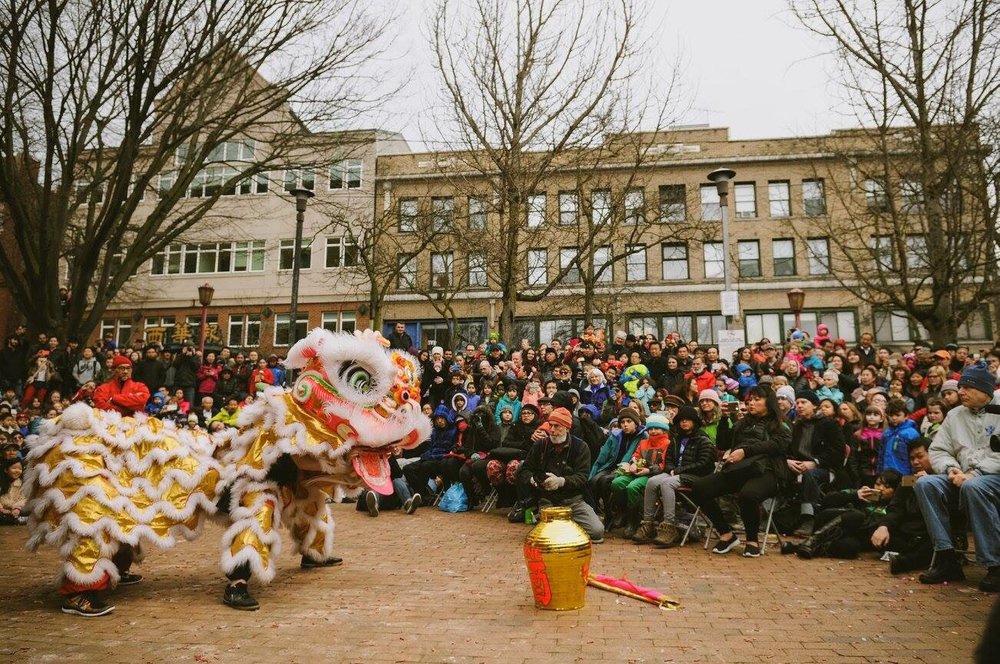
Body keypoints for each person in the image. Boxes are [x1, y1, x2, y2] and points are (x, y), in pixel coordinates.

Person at [914, 361, 1000, 592]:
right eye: (960, 387)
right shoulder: (955, 415)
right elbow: (938, 450)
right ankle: (946, 557)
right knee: (925, 483)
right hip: (961, 476)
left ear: (985, 391)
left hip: (993, 477)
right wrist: (951, 468)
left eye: (968, 388)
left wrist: (976, 473)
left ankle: (994, 565)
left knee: (975, 487)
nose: (960, 392)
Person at [689, 386, 792, 558]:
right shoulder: (743, 422)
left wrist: (745, 451)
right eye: (749, 399)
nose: (751, 403)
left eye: (757, 399)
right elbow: (722, 444)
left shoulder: (781, 423)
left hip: (767, 472)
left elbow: (777, 445)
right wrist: (724, 419)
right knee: (700, 487)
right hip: (739, 470)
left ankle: (752, 540)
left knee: (748, 495)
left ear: (769, 402)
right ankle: (726, 534)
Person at [515, 407, 604, 542]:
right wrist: (533, 480)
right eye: (550, 425)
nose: (552, 430)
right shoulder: (541, 445)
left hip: (574, 500)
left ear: (567, 428)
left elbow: (582, 476)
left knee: (597, 531)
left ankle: (568, 524)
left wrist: (561, 481)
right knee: (548, 537)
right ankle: (565, 526)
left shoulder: (581, 447)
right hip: (547, 500)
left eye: (557, 426)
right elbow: (524, 470)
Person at [635, 406, 716, 547]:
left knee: (667, 483)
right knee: (652, 482)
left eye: (687, 420)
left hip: (696, 476)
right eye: (681, 420)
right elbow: (669, 460)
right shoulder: (676, 439)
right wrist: (672, 469)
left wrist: (680, 470)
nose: (684, 422)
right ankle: (648, 524)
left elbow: (705, 464)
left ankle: (669, 526)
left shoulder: (703, 439)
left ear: (694, 421)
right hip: (675, 473)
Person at [789, 390, 846, 535]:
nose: (799, 406)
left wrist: (815, 462)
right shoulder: (797, 426)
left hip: (826, 469)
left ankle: (808, 518)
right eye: (797, 403)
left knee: (810, 475)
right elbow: (789, 450)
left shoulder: (829, 424)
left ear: (815, 406)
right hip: (798, 466)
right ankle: (770, 514)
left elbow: (837, 452)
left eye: (803, 402)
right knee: (775, 469)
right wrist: (789, 462)